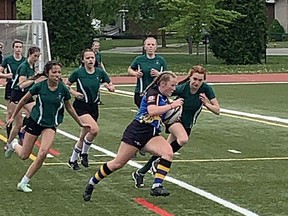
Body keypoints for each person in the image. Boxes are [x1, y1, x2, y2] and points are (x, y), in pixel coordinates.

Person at [82, 72, 184, 202]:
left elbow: (162, 118)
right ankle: (92, 183)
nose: (174, 88)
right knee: (117, 164)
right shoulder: (153, 94)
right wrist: (172, 106)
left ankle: (156, 186)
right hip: (137, 132)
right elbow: (152, 111)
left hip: (151, 134)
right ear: (163, 84)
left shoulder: (163, 97)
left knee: (168, 152)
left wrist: (173, 116)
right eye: (172, 85)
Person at [4, 60, 89, 192]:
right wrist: (13, 116)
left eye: (59, 72)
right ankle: (14, 144)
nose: (57, 75)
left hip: (50, 125)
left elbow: (69, 108)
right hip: (35, 122)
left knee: (43, 152)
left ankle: (24, 182)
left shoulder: (63, 89)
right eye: (54, 72)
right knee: (24, 155)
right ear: (47, 73)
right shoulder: (39, 86)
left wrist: (80, 123)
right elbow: (23, 100)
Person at [131, 65, 221, 188]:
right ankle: (157, 163)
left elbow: (217, 110)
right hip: (174, 120)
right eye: (194, 79)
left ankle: (140, 173)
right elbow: (164, 92)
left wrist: (206, 103)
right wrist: (169, 104)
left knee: (165, 150)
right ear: (190, 78)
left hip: (188, 124)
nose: (196, 82)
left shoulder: (206, 89)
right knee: (183, 139)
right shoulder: (182, 88)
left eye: (200, 80)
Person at [67, 49, 115, 170]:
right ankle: (84, 153)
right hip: (81, 106)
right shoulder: (78, 73)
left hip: (94, 107)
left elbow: (110, 84)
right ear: (83, 60)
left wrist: (110, 87)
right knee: (94, 130)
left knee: (84, 136)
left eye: (92, 58)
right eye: (87, 58)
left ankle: (72, 160)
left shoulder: (100, 72)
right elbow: (66, 85)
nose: (90, 60)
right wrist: (74, 93)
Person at [5, 46, 40, 150]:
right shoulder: (24, 66)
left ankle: (23, 131)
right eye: (35, 56)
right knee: (17, 123)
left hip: (26, 94)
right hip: (17, 94)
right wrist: (34, 79)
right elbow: (21, 84)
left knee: (36, 113)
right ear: (30, 54)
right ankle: (9, 144)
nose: (36, 58)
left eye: (38, 56)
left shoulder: (32, 65)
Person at [128, 36, 168, 108]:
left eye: (153, 45)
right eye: (148, 44)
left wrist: (159, 74)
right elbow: (130, 69)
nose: (150, 47)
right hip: (141, 91)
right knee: (144, 113)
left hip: (156, 92)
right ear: (145, 47)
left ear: (156, 47)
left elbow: (167, 75)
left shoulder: (160, 60)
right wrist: (136, 73)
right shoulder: (139, 59)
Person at [0, 40, 26, 139]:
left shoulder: (25, 60)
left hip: (22, 89)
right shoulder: (8, 60)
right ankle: (9, 140)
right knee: (11, 113)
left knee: (27, 113)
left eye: (20, 47)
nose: (18, 49)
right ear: (13, 48)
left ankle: (21, 133)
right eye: (16, 47)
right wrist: (6, 75)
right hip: (11, 88)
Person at [92, 40, 106, 105]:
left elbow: (100, 63)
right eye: (95, 46)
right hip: (92, 71)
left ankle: (98, 99)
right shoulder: (90, 54)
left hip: (97, 71)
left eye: (98, 46)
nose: (97, 47)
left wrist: (104, 70)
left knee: (97, 85)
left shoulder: (99, 54)